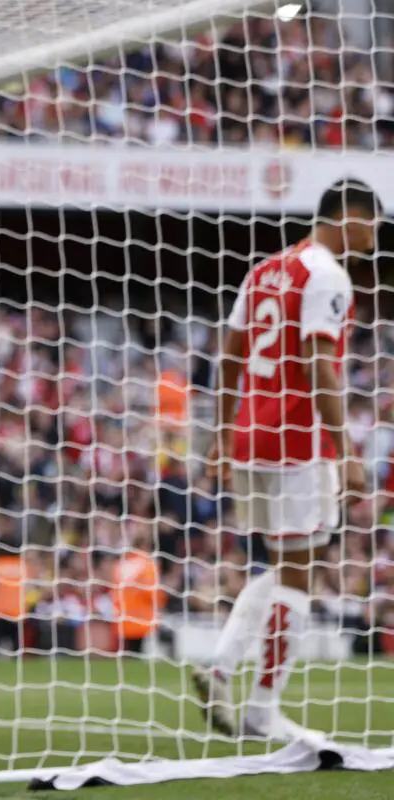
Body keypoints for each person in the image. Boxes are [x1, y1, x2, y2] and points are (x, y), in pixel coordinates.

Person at [195, 178, 382, 740]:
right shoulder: (327, 273)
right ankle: (263, 709)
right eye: (372, 223)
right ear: (347, 217)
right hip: (299, 442)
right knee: (300, 575)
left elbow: (228, 357)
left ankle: (221, 666)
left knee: (280, 567)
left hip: (252, 439)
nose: (375, 235)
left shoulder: (263, 270)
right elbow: (319, 362)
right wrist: (346, 450)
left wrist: (224, 435)